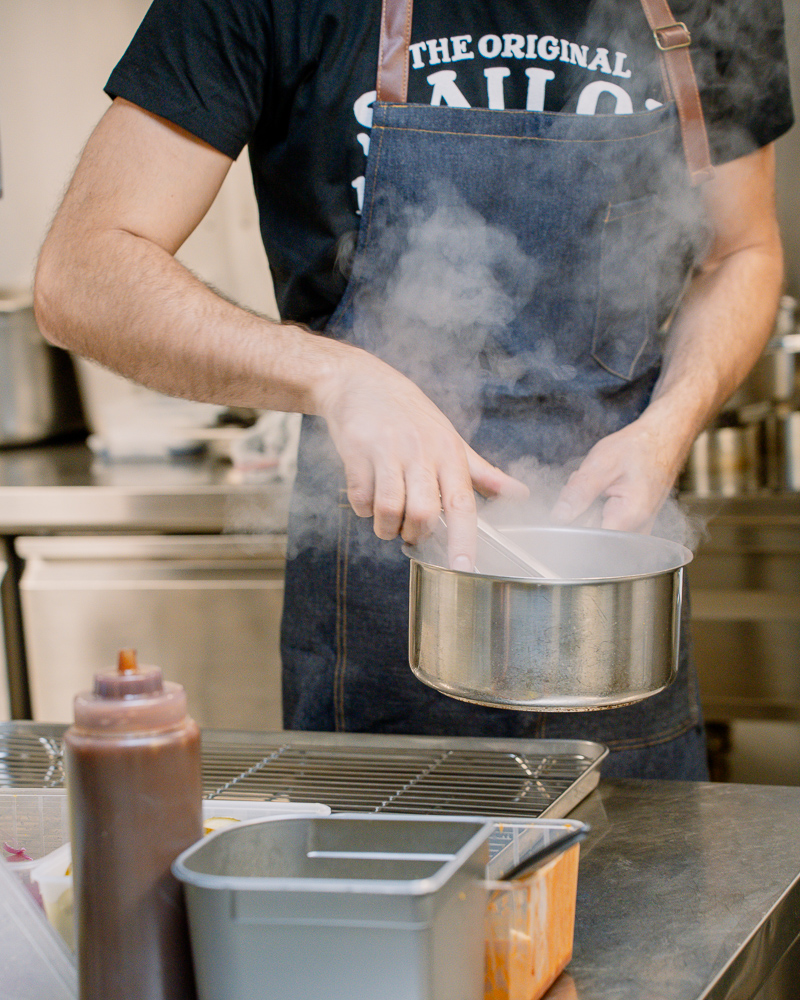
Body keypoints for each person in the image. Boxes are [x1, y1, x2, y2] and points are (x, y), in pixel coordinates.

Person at [34, 0, 793, 778]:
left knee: (646, 895)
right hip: (377, 619)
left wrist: (669, 424)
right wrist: (339, 377)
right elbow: (81, 273)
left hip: (611, 610)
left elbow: (742, 251)